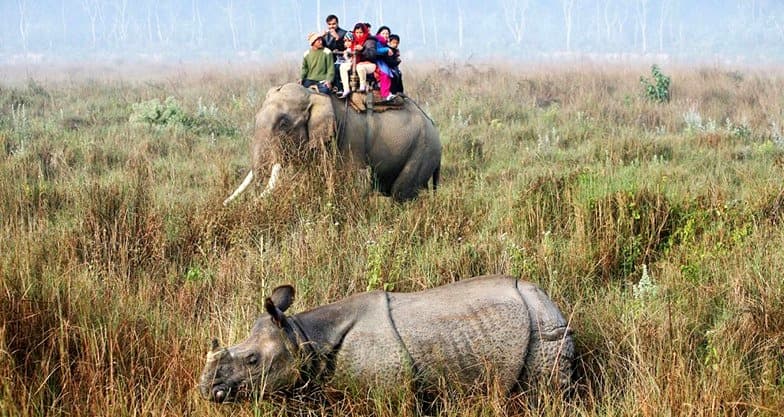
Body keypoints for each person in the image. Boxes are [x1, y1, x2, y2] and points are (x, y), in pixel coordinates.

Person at [338, 23, 377, 98]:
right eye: (357, 32)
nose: (358, 35)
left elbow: (372, 55)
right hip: (355, 62)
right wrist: (347, 53)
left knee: (360, 67)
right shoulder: (353, 40)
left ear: (364, 32)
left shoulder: (370, 41)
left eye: (361, 32)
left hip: (369, 64)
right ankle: (346, 88)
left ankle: (362, 86)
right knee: (343, 66)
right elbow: (349, 50)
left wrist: (363, 49)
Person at [322, 14, 348, 90]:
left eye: (333, 24)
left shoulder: (344, 33)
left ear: (337, 23)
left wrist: (337, 38)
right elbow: (323, 48)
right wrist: (321, 37)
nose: (331, 26)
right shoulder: (326, 35)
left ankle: (338, 88)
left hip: (342, 59)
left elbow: (346, 48)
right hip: (329, 59)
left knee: (335, 67)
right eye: (329, 24)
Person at [374, 26, 394, 100]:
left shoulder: (384, 43)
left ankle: (389, 92)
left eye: (387, 33)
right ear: (379, 34)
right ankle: (385, 94)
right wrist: (386, 49)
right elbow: (376, 51)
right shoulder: (377, 41)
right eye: (383, 33)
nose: (385, 35)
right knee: (384, 74)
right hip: (377, 62)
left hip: (382, 62)